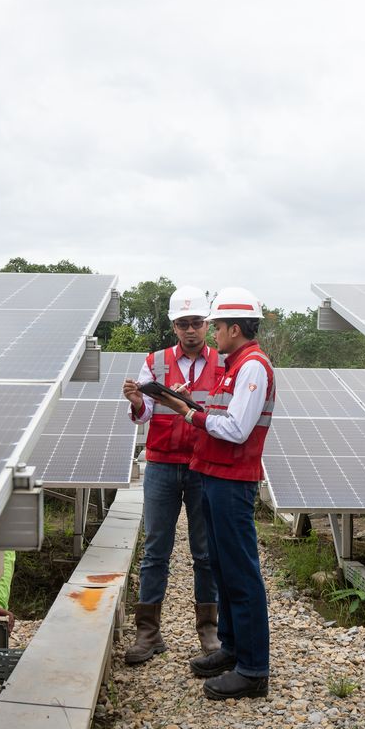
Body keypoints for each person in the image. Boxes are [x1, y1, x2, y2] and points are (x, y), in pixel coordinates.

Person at [150, 286, 275, 700]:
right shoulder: (234, 365)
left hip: (233, 480)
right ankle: (232, 649)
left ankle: (254, 669)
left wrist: (191, 414)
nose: (213, 332)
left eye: (217, 325)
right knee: (222, 567)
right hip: (215, 476)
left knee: (241, 573)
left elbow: (237, 429)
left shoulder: (252, 367)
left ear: (234, 328)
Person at [120, 285, 223, 665]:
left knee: (205, 551)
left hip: (202, 463)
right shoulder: (156, 361)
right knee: (155, 549)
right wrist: (136, 404)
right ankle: (148, 632)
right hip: (162, 462)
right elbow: (146, 413)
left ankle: (209, 630)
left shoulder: (223, 364)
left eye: (197, 322)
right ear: (174, 326)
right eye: (183, 324)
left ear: (206, 324)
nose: (191, 330)